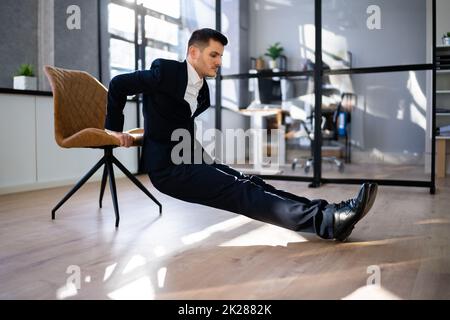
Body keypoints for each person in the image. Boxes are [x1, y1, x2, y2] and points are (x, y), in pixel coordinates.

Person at [105, 28, 378, 241]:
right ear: (193, 53)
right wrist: (114, 130)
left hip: (191, 157)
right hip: (169, 169)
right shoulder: (165, 72)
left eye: (221, 56)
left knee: (252, 182)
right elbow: (118, 84)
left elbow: (176, 125)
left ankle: (329, 211)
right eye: (214, 55)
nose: (219, 62)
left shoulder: (202, 92)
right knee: (242, 191)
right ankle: (328, 222)